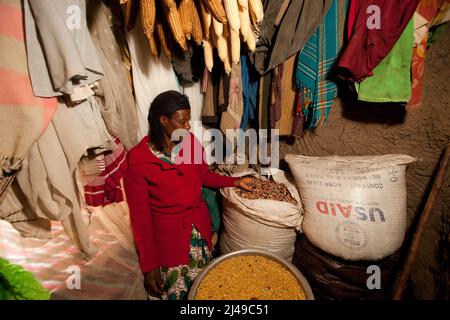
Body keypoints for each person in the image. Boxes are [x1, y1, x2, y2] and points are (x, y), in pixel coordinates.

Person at [123, 90, 254, 300]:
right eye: (182, 122)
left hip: (198, 236)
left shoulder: (190, 143)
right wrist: (150, 267)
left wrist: (235, 181)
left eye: (188, 121)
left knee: (205, 292)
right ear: (164, 120)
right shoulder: (139, 161)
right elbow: (141, 220)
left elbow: (204, 177)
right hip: (169, 244)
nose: (188, 127)